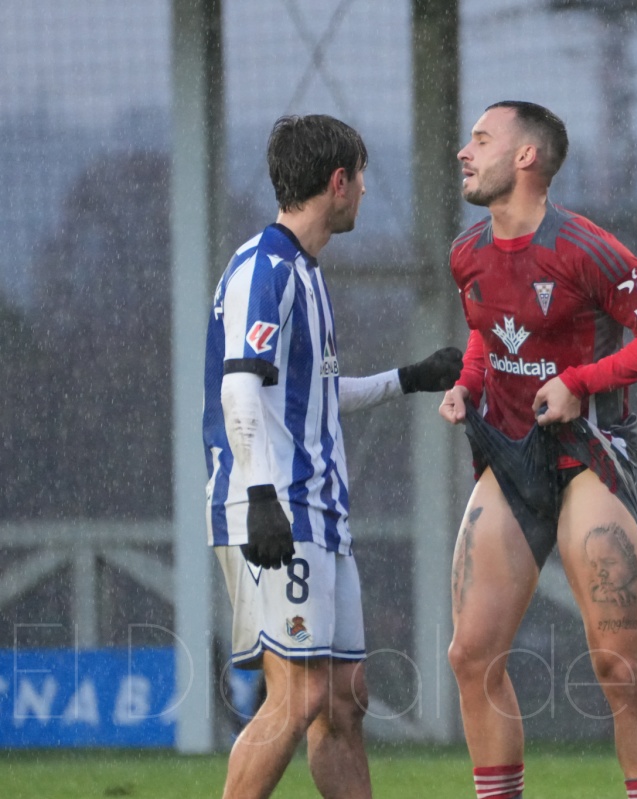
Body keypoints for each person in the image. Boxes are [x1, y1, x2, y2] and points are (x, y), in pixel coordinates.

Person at [203, 114, 463, 799]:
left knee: (344, 699)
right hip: (278, 507)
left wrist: (408, 378)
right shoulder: (265, 268)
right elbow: (238, 387)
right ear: (338, 181)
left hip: (318, 512)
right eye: (362, 177)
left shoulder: (303, 272)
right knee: (299, 695)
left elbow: (310, 398)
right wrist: (262, 496)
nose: (367, 191)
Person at [438, 100, 637, 799]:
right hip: (508, 457)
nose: (464, 152)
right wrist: (467, 384)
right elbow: (487, 333)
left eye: (481, 139)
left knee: (618, 666)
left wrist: (580, 383)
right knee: (470, 655)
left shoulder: (586, 248)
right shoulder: (466, 253)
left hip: (588, 455)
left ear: (525, 157)